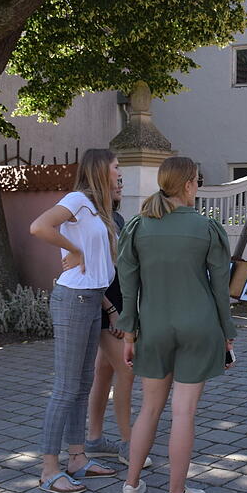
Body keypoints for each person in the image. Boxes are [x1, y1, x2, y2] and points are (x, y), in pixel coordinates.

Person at [115, 156, 236, 493]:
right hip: (199, 326)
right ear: (187, 185)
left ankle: (130, 486)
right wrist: (228, 333)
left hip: (153, 327)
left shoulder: (137, 227)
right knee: (183, 413)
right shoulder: (207, 228)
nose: (198, 187)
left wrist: (129, 334)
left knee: (149, 409)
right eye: (197, 181)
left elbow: (127, 286)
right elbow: (219, 290)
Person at [29, 148, 121, 493]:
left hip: (92, 299)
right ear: (100, 169)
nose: (119, 173)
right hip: (73, 301)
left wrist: (111, 308)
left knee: (83, 384)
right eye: (116, 167)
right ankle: (49, 468)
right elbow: (39, 226)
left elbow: (98, 272)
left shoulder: (95, 207)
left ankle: (77, 458)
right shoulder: (77, 199)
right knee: (66, 388)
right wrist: (75, 250)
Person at [83, 179, 153, 469]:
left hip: (117, 306)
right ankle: (128, 444)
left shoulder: (118, 218)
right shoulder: (92, 218)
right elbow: (89, 269)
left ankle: (95, 440)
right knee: (127, 371)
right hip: (105, 306)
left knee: (104, 372)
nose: (121, 181)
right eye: (115, 173)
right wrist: (112, 312)